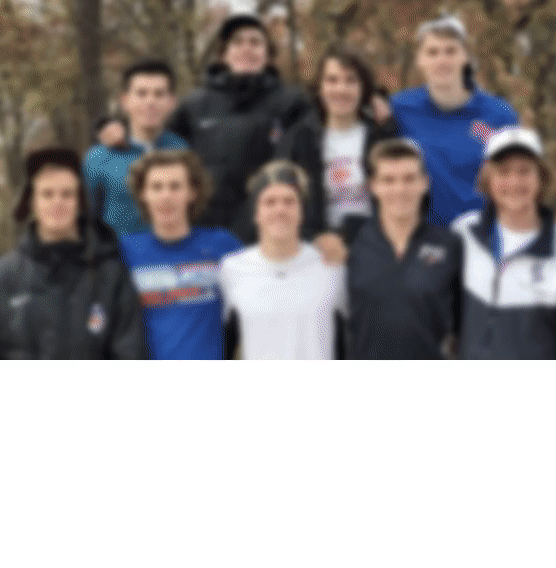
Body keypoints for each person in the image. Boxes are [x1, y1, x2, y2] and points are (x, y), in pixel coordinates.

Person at [0, 148, 148, 359]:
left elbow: (130, 351)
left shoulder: (110, 275)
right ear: (32, 202)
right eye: (47, 194)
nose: (57, 202)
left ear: (79, 202)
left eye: (67, 194)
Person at [451, 127, 556, 360]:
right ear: (488, 179)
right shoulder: (464, 234)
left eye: (524, 171)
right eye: (503, 172)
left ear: (541, 177)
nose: (514, 182)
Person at [166, 14, 310, 245]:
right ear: (224, 54)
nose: (246, 48)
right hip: (205, 230)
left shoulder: (292, 103)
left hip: (268, 232)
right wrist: (113, 128)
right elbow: (157, 145)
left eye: (255, 42)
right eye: (238, 42)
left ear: (268, 54)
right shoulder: (194, 105)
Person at [390, 14, 519, 229]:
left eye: (451, 51)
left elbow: (514, 180)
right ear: (419, 60)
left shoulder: (500, 114)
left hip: (483, 233)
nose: (442, 60)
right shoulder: (398, 108)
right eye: (432, 52)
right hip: (422, 235)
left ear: (465, 57)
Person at [276, 46, 397, 263]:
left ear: (363, 88)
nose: (341, 89)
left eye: (351, 81)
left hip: (374, 251)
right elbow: (284, 200)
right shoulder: (300, 139)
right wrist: (314, 237)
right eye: (332, 80)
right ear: (320, 87)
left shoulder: (382, 137)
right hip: (316, 254)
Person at [118, 149, 242, 360]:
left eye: (175, 186)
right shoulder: (124, 250)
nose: (166, 196)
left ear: (192, 192)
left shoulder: (223, 246)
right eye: (156, 187)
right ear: (143, 194)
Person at [346, 138, 462, 360]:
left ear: (425, 183)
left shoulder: (450, 245)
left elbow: (462, 323)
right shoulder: (352, 243)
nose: (400, 189)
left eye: (409, 179)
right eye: (388, 180)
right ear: (373, 186)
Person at [218, 160, 346, 360]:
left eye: (289, 201)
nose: (280, 210)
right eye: (270, 202)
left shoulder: (331, 266)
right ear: (256, 213)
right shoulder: (231, 269)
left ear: (301, 211)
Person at [83, 59, 189, 242]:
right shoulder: (98, 158)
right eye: (141, 94)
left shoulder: (183, 151)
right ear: (125, 101)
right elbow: (85, 221)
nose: (150, 101)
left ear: (172, 102)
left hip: (175, 254)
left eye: (159, 94)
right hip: (118, 256)